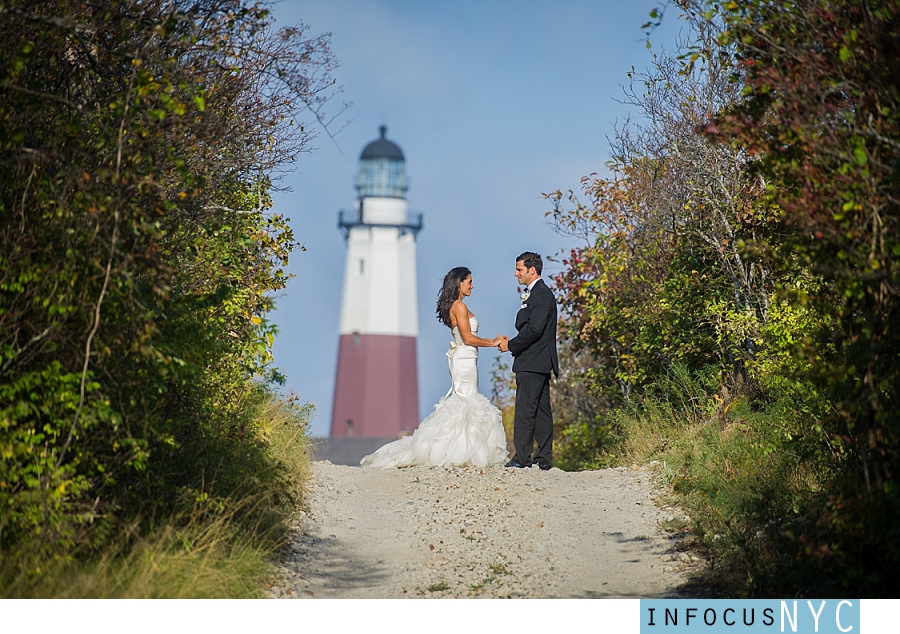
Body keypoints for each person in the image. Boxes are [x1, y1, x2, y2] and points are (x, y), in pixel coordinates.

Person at [360, 267, 509, 468]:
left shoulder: (455, 306)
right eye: (469, 282)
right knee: (467, 401)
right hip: (464, 358)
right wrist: (493, 342)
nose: (472, 286)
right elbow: (468, 338)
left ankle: (464, 449)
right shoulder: (459, 307)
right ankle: (461, 451)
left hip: (464, 357)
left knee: (466, 401)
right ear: (460, 283)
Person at [498, 252, 559, 470]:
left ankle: (522, 458)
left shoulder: (541, 294)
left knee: (525, 410)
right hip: (538, 361)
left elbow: (534, 329)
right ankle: (543, 458)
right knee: (542, 411)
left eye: (519, 270)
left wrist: (511, 345)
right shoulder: (536, 294)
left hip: (533, 360)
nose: (516, 274)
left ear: (532, 270)